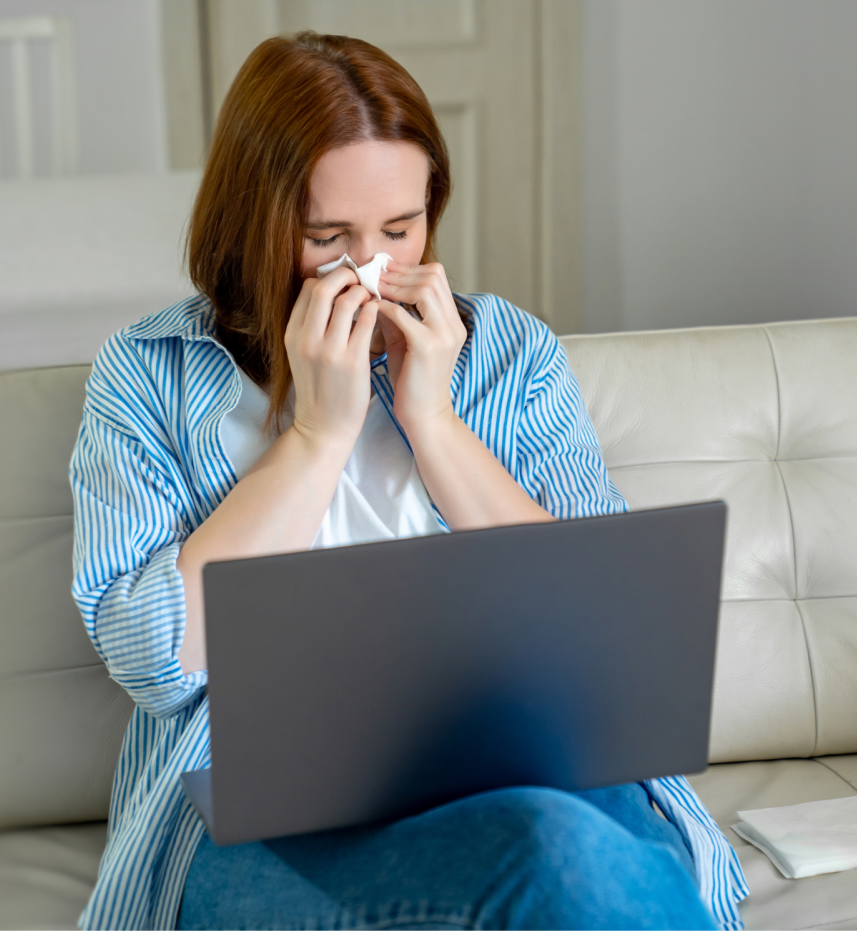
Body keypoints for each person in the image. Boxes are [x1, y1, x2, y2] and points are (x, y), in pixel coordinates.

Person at [70, 31, 748, 930]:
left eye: (400, 228)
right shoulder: (146, 374)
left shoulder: (505, 354)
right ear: (255, 225)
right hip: (258, 812)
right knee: (554, 857)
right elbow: (155, 660)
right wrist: (315, 434)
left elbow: (598, 635)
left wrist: (435, 424)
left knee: (560, 842)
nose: (372, 268)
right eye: (327, 238)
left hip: (515, 769)